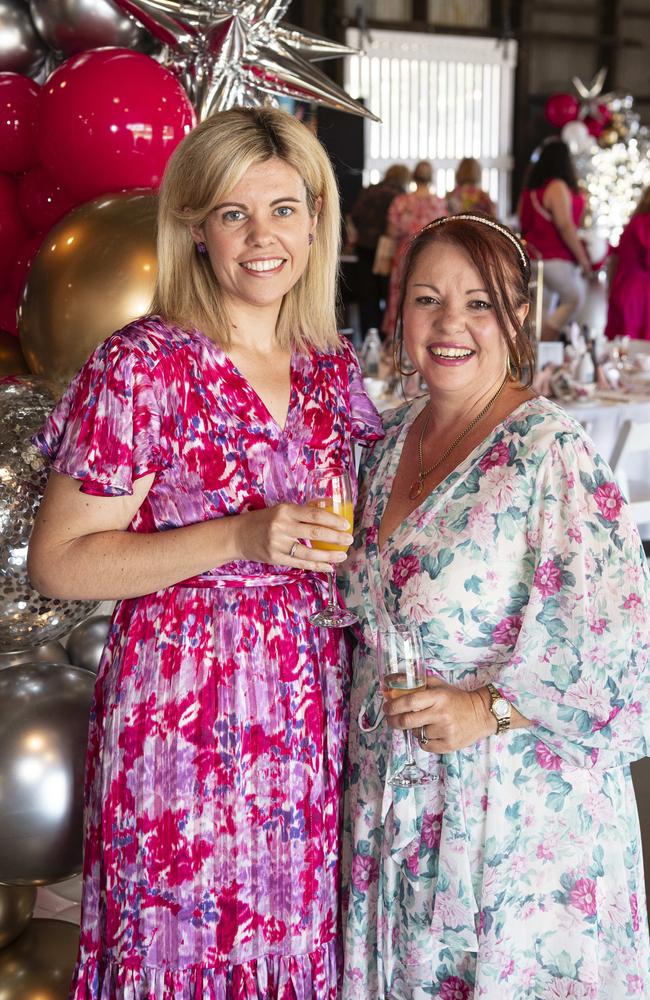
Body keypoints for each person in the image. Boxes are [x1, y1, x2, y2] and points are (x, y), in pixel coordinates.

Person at [27, 107, 383, 999]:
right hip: (180, 718)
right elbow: (61, 561)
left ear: (317, 219)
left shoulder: (329, 367)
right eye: (233, 214)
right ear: (195, 230)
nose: (264, 237)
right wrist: (240, 535)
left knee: (287, 937)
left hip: (305, 714)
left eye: (285, 209)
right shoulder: (145, 364)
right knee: (182, 944)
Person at [340, 213, 650, 998]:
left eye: (479, 303)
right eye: (427, 300)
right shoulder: (387, 440)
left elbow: (625, 662)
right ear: (397, 311)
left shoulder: (551, 452)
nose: (450, 325)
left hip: (511, 821)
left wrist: (490, 709)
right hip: (396, 797)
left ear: (517, 318)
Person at [519, 138, 594, 339]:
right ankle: (545, 344)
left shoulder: (530, 191)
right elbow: (565, 226)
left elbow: (523, 223)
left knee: (540, 312)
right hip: (554, 257)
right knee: (574, 298)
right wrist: (583, 260)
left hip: (534, 256)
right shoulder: (557, 187)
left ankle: (537, 356)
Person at [382, 160, 447, 341]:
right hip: (432, 256)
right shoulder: (438, 203)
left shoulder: (402, 202)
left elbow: (391, 231)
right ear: (431, 177)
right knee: (429, 295)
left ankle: (398, 339)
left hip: (404, 254)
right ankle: (425, 335)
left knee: (400, 294)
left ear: (413, 176)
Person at [347, 163, 410, 333]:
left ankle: (369, 334)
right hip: (386, 251)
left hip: (364, 246)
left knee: (367, 295)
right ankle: (384, 337)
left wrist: (353, 239)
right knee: (388, 294)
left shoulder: (370, 190)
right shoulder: (401, 196)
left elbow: (352, 216)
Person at [605, 185, 650, 340]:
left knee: (622, 346)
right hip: (641, 296)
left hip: (623, 289)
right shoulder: (646, 224)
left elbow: (614, 262)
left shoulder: (634, 223)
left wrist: (611, 290)